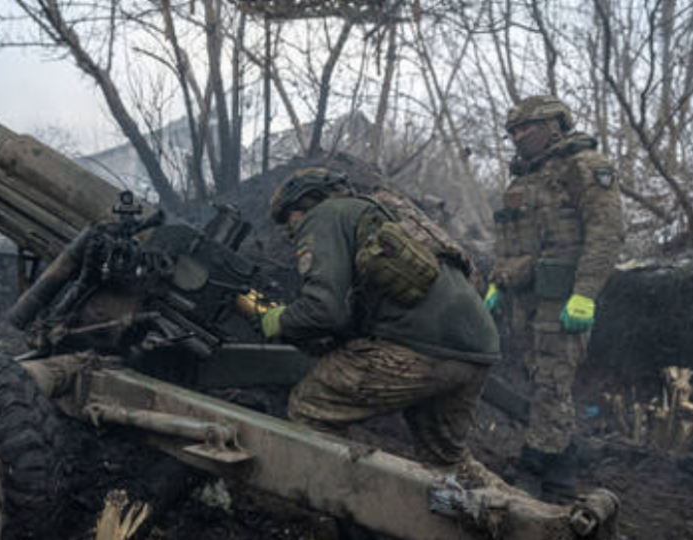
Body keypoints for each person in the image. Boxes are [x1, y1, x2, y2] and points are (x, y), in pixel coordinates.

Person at [260, 166, 502, 481]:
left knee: (310, 407)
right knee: (447, 463)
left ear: (303, 205)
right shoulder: (376, 214)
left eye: (288, 219)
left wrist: (281, 319)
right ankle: (526, 520)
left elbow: (325, 310)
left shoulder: (324, 216)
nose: (289, 231)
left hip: (421, 348)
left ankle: (352, 514)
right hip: (477, 347)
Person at [486, 96, 624, 499]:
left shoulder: (583, 167)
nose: (518, 136)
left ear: (555, 125)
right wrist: (497, 284)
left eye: (527, 127)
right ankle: (561, 459)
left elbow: (607, 232)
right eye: (513, 130)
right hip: (526, 301)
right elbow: (509, 241)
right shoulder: (522, 180)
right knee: (537, 378)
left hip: (562, 301)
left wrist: (585, 295)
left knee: (552, 382)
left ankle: (547, 476)